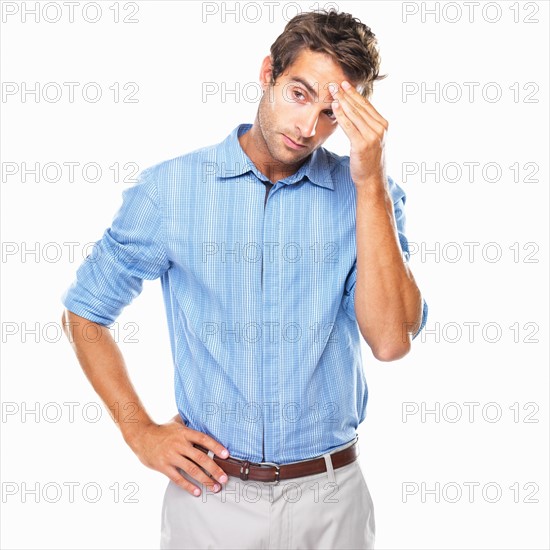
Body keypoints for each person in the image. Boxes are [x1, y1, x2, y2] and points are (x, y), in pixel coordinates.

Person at [61, 9, 427, 550]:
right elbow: (86, 310)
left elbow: (392, 340)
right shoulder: (172, 191)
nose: (309, 129)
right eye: (299, 94)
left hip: (332, 499)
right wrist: (137, 430)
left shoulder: (369, 198)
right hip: (211, 498)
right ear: (267, 74)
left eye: (332, 114)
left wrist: (369, 179)